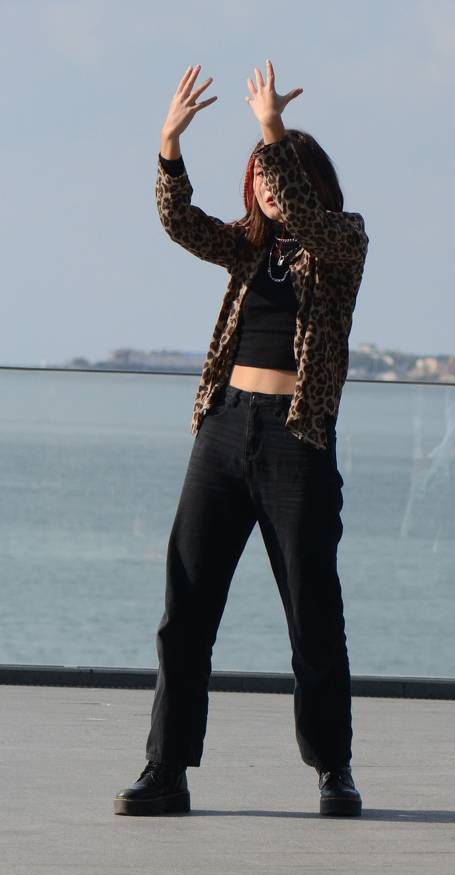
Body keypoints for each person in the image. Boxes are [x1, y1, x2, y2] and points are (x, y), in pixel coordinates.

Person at [114, 63, 369, 818]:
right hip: (225, 430)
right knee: (186, 605)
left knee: (313, 612)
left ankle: (332, 767)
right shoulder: (246, 248)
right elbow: (180, 222)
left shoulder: (341, 243)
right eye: (256, 173)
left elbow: (305, 214)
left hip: (297, 440)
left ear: (305, 179)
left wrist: (270, 131)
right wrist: (169, 144)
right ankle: (166, 767)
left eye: (275, 172)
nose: (263, 183)